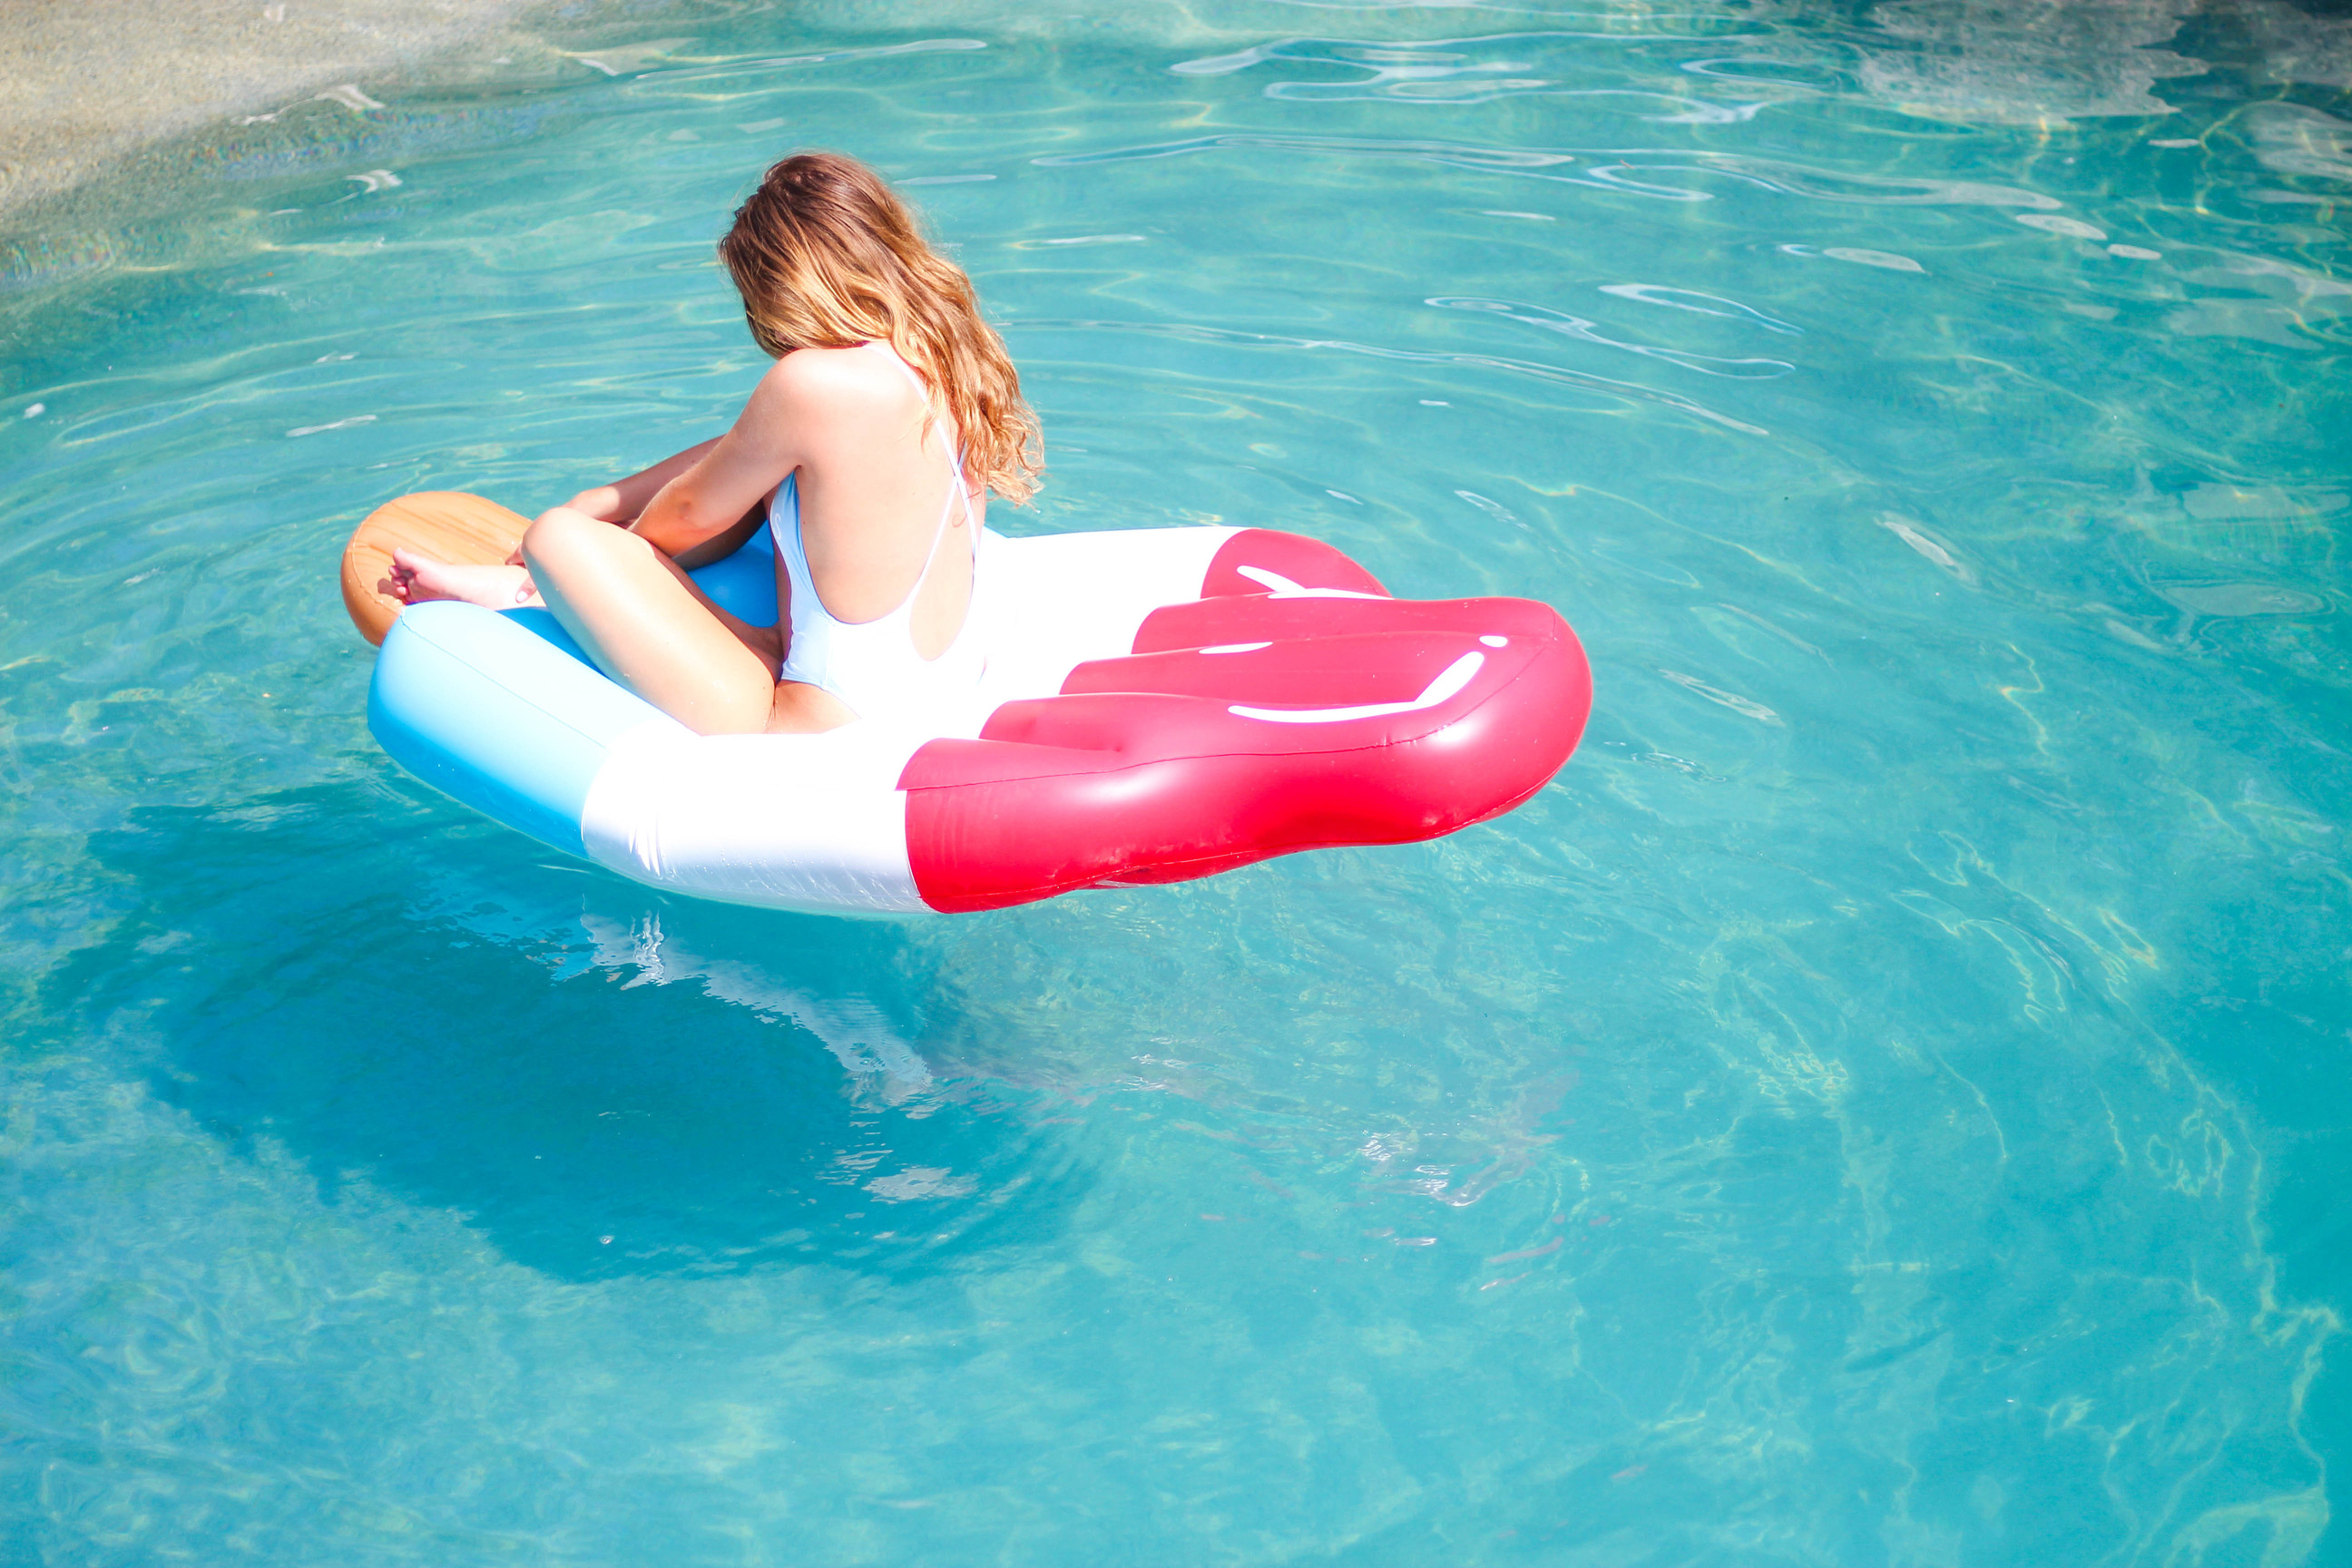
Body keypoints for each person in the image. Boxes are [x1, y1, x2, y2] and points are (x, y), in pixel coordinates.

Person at [377, 151, 1043, 735]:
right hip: (941, 690)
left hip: (821, 725)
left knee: (556, 537)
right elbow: (733, 453)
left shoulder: (811, 382)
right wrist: (599, 498)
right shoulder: (951, 362)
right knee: (749, 466)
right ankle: (558, 565)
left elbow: (684, 519)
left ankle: (520, 595)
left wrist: (580, 542)